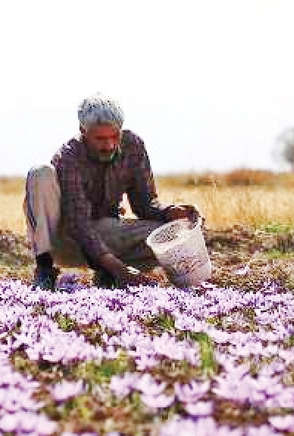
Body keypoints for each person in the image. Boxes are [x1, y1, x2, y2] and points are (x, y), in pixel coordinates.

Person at [24, 94, 199, 290]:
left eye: (114, 136)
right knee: (41, 172)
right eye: (100, 138)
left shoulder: (133, 146)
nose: (109, 145)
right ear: (83, 131)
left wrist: (169, 213)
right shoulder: (69, 156)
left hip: (106, 232)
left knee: (176, 233)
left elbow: (145, 204)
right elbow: (78, 224)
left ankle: (106, 274)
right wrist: (119, 269)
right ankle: (45, 268)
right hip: (66, 241)